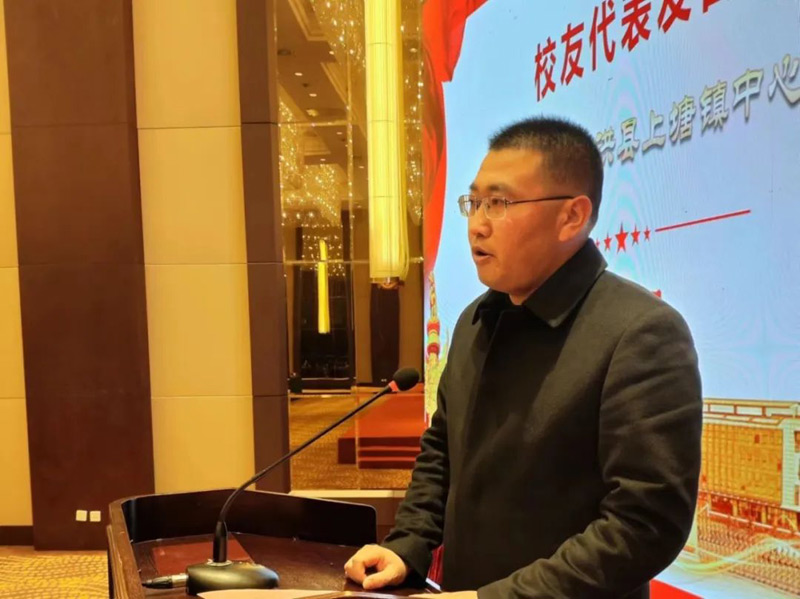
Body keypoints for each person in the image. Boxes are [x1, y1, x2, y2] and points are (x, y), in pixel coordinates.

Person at [344, 117, 703, 599]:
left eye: (499, 203)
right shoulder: (477, 320)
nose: (477, 224)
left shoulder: (641, 332)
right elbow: (442, 453)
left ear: (572, 217)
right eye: (474, 202)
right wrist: (408, 545)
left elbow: (645, 524)